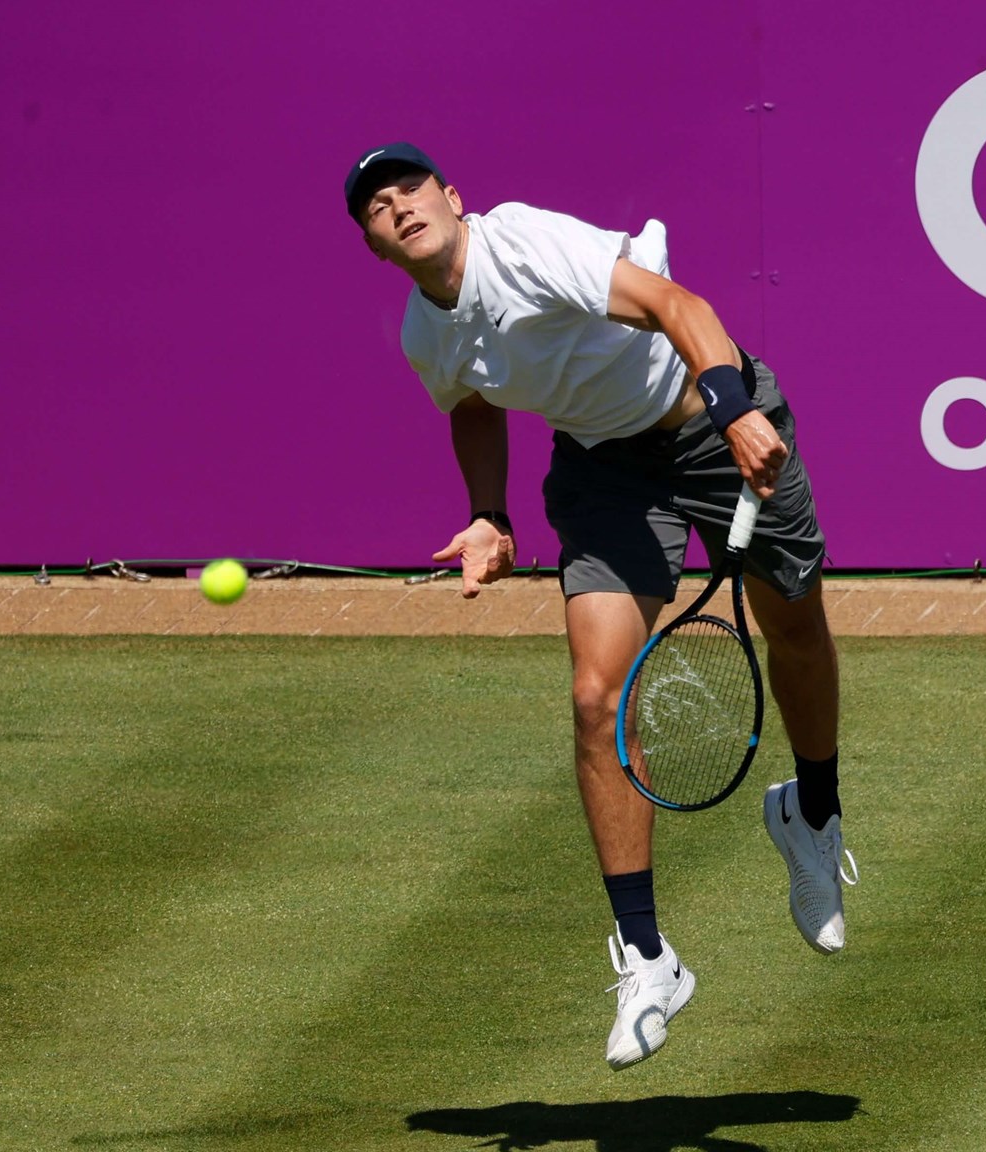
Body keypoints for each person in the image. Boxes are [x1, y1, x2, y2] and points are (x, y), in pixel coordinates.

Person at [344, 143, 858, 1070]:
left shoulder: (526, 244)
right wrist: (487, 513)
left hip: (706, 420)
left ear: (452, 198)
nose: (398, 206)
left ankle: (812, 816)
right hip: (606, 473)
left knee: (795, 626)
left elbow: (677, 306)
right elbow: (470, 401)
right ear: (378, 247)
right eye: (377, 208)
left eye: (410, 189)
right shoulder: (428, 333)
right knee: (594, 698)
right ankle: (648, 958)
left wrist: (736, 407)